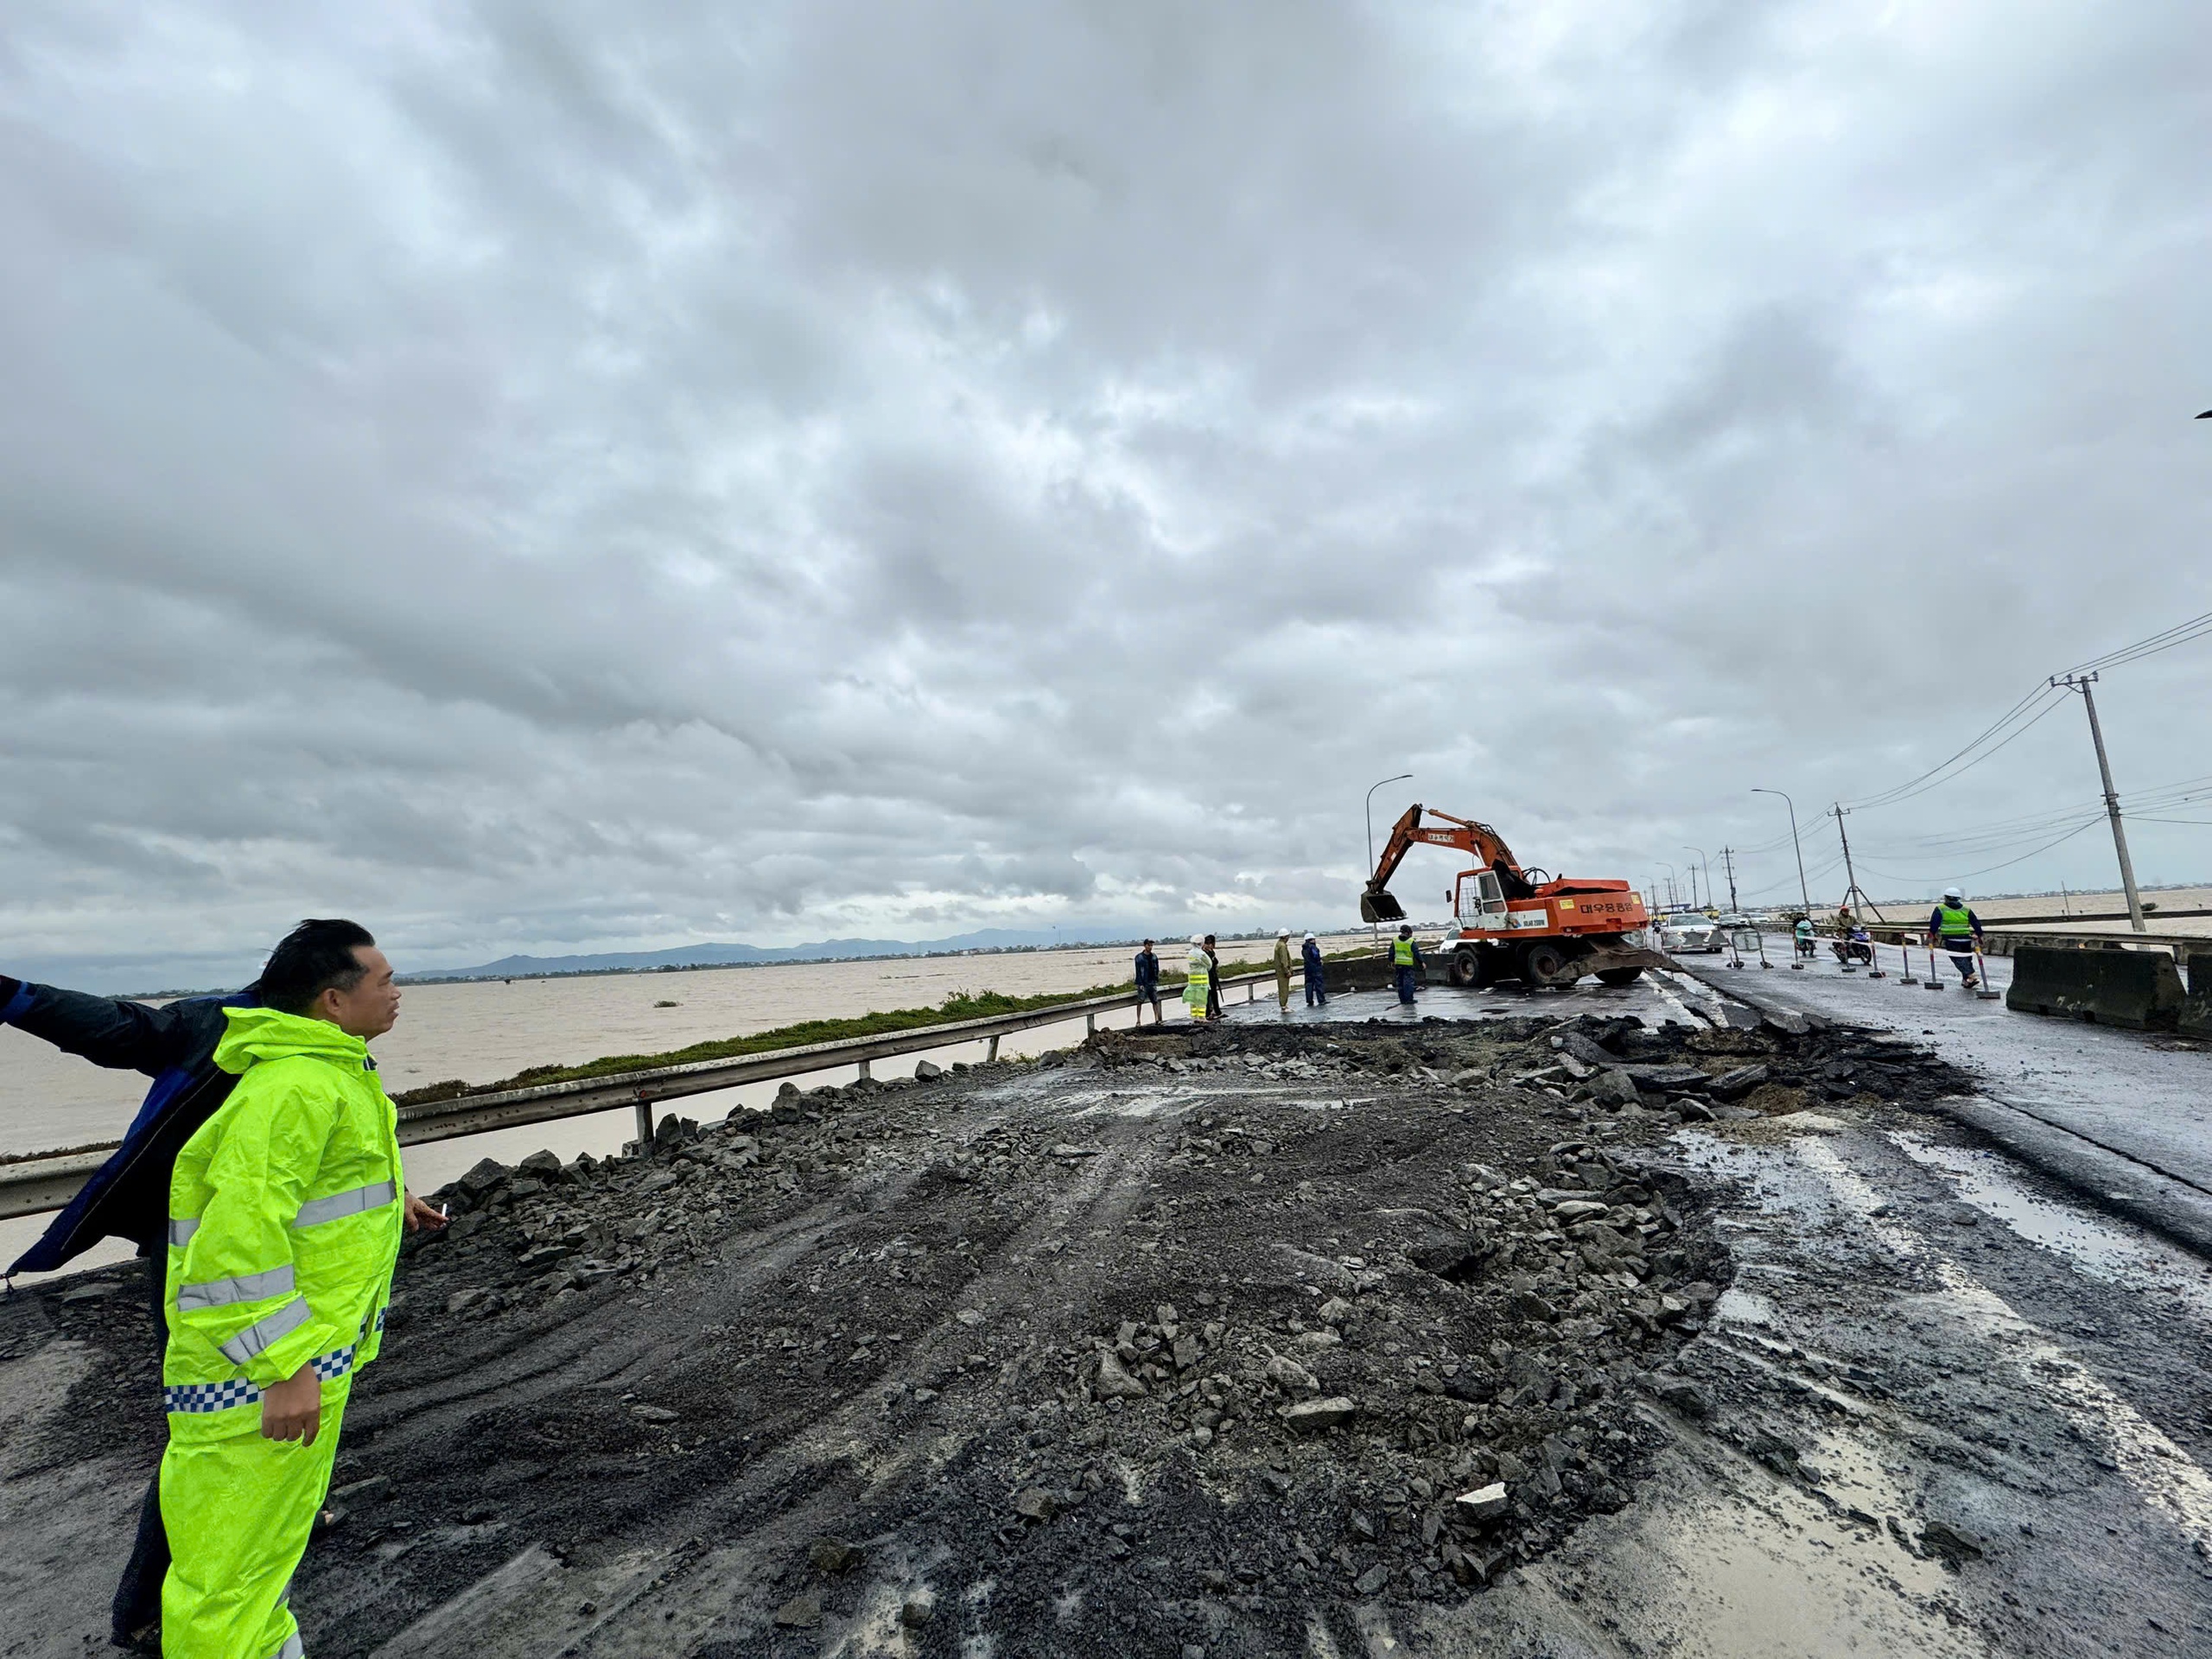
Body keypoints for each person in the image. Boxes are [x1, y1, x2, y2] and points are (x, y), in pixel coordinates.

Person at [159, 919, 442, 1659]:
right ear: (332, 1001)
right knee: (228, 1580)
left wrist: (394, 1200)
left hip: (291, 1363)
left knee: (264, 1562)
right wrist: (284, 1366)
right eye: (383, 980)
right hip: (255, 1380)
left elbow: (309, 1193)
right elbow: (233, 1246)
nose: (397, 992)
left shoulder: (330, 1076)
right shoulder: (294, 1089)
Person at [1927, 887, 1986, 988]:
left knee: (1958, 958)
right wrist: (1978, 934)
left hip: (1951, 938)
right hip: (1966, 938)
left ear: (1946, 898)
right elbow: (1976, 923)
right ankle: (1966, 980)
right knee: (1966, 959)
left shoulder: (1941, 909)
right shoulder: (1966, 909)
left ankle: (1971, 975)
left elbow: (1934, 925)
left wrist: (1932, 935)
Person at [1182, 935, 1211, 1023]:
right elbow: (1209, 965)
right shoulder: (1201, 954)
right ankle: (1202, 1018)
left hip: (1192, 982)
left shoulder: (1190, 953)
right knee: (1201, 1001)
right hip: (1202, 982)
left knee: (1193, 1001)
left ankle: (1194, 1017)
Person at [1392, 925, 1423, 1007]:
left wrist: (1391, 961)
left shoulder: (1395, 940)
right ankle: (1409, 1000)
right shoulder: (1411, 941)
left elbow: (1391, 952)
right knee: (1408, 983)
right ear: (1408, 933)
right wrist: (1422, 962)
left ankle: (1402, 1000)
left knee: (1400, 983)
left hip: (1398, 964)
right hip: (1408, 965)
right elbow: (1416, 953)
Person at [1133, 940, 1162, 1027]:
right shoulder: (1139, 957)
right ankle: (1138, 1020)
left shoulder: (1154, 957)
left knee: (1155, 1001)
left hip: (1152, 982)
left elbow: (1157, 968)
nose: (1150, 947)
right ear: (1145, 946)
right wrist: (1140, 983)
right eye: (1149, 945)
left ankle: (1156, 1018)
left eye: (1151, 945)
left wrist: (1156, 979)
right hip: (1143, 983)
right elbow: (1138, 971)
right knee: (1140, 1001)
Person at [1301, 932, 1327, 1007]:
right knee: (1318, 984)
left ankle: (1309, 1001)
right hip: (1315, 968)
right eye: (1314, 939)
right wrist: (1319, 961)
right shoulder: (1313, 947)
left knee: (1309, 984)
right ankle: (1321, 1000)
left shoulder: (1304, 949)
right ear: (1311, 940)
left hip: (1307, 968)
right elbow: (1316, 956)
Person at [1272, 929, 1294, 1013]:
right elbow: (1284, 960)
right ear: (1284, 936)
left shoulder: (1278, 944)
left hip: (1279, 971)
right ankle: (1284, 1006)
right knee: (1284, 988)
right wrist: (1287, 971)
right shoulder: (1282, 946)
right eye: (1288, 936)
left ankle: (1283, 1005)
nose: (1289, 938)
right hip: (1282, 971)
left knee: (1281, 988)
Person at [1203, 935, 1224, 1020]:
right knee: (1208, 995)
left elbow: (1215, 961)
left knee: (1214, 994)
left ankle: (1217, 1011)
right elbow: (1210, 963)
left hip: (1213, 975)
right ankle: (1208, 1012)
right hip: (1207, 976)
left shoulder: (1211, 952)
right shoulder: (1203, 953)